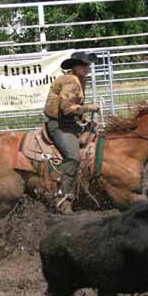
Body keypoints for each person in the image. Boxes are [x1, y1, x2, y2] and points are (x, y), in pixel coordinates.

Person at [43, 51, 100, 214]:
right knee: (73, 157)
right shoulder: (70, 80)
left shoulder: (80, 80)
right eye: (83, 65)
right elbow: (67, 109)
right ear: (74, 67)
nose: (86, 68)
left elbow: (74, 106)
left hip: (69, 124)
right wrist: (88, 108)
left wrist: (83, 118)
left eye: (87, 65)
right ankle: (61, 196)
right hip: (59, 125)